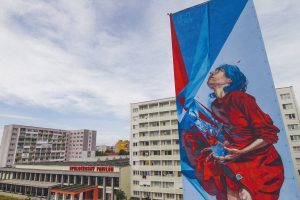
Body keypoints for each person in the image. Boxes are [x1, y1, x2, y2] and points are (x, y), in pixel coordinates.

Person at [183, 64, 284, 200]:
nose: (212, 72)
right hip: (236, 161)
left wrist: (241, 151)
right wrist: (221, 145)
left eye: (218, 71)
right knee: (231, 195)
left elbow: (269, 135)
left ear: (229, 80)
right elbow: (233, 134)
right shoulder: (215, 105)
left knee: (244, 195)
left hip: (261, 163)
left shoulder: (241, 98)